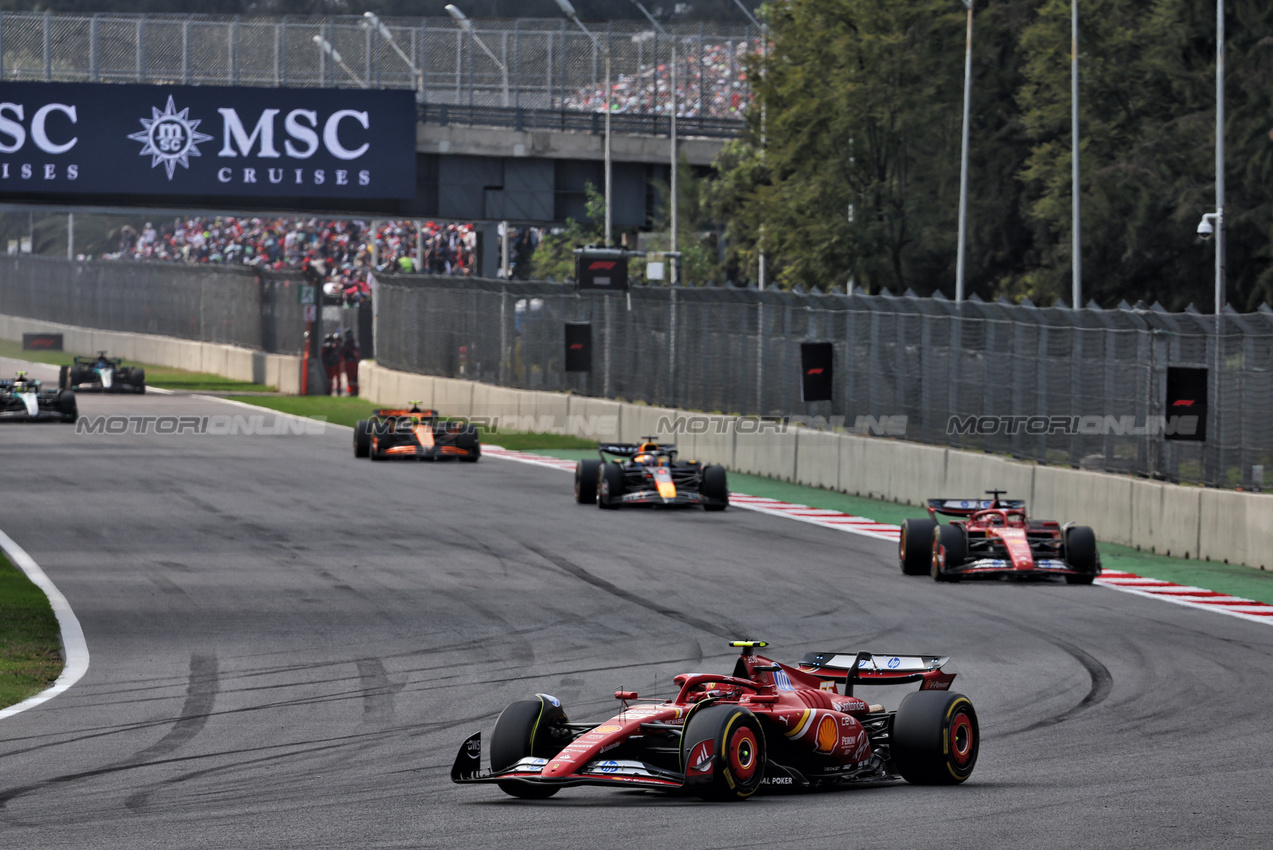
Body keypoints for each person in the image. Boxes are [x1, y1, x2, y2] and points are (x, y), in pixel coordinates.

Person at [341, 329, 361, 397]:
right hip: (351, 362)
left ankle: (353, 390)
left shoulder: (353, 343)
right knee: (352, 377)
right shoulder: (350, 343)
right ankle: (353, 390)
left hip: (352, 362)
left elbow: (356, 352)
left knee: (352, 377)